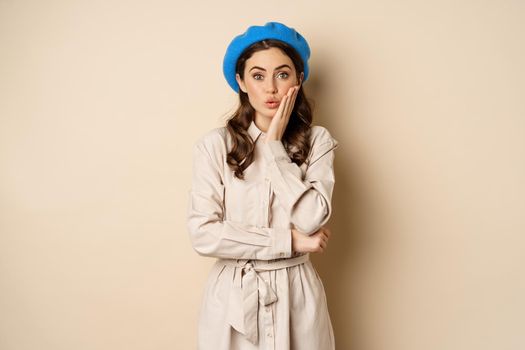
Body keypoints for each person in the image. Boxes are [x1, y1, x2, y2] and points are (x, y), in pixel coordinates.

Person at [187, 21, 338, 350]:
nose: (271, 88)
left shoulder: (318, 141)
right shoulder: (214, 146)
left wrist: (273, 148)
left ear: (299, 79)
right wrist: (289, 240)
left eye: (282, 74)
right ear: (241, 81)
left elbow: (312, 218)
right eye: (258, 75)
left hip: (297, 292)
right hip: (233, 298)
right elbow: (203, 233)